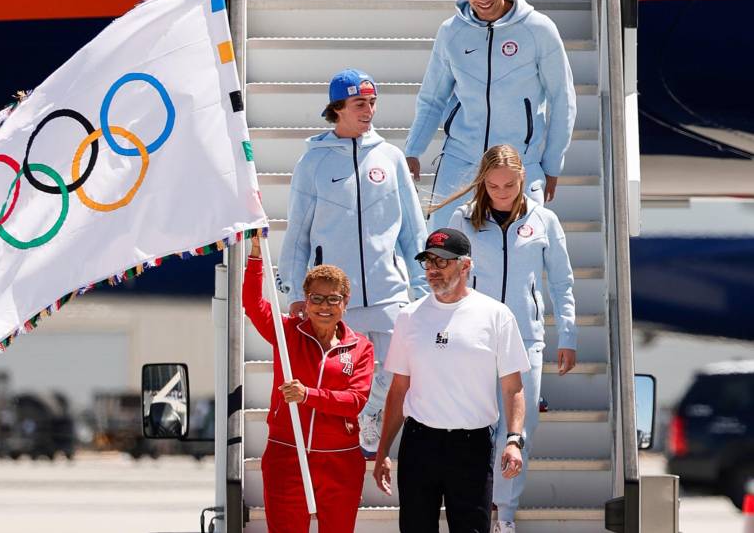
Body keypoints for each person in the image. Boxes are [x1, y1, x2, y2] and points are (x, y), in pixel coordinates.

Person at [277, 68, 428, 455]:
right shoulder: (312, 163)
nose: (370, 111)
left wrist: (423, 285)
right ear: (337, 108)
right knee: (346, 376)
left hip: (389, 288)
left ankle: (373, 414)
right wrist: (295, 292)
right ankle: (345, 440)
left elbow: (412, 229)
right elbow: (298, 236)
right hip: (337, 299)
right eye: (360, 104)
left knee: (401, 367)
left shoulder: (391, 158)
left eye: (373, 103)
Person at [438, 144, 577, 533]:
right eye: (494, 186)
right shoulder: (462, 219)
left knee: (516, 430)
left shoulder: (543, 220)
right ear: (482, 182)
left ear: (522, 180)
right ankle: (476, 509)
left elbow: (562, 282)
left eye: (510, 185)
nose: (502, 193)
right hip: (474, 338)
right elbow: (445, 279)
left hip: (525, 337)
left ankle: (506, 516)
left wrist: (569, 333)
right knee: (474, 430)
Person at [372, 228, 531, 533]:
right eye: (428, 262)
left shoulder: (496, 315)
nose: (433, 270)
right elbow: (398, 389)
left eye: (442, 262)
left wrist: (513, 441)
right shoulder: (409, 316)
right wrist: (382, 452)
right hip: (419, 443)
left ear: (465, 265)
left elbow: (513, 388)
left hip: (472, 447)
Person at [404, 0, 577, 230]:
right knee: (444, 252)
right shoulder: (451, 32)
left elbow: (563, 100)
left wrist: (552, 164)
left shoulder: (538, 29)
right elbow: (432, 97)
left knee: (520, 254)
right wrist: (413, 149)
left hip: (519, 163)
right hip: (460, 162)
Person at [244, 236, 375, 533]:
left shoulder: (360, 346)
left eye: (333, 299)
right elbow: (252, 302)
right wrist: (255, 253)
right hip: (286, 453)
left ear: (345, 302)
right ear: (306, 299)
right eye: (316, 298)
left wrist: (308, 395)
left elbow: (355, 401)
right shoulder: (287, 332)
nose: (324, 306)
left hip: (340, 461)